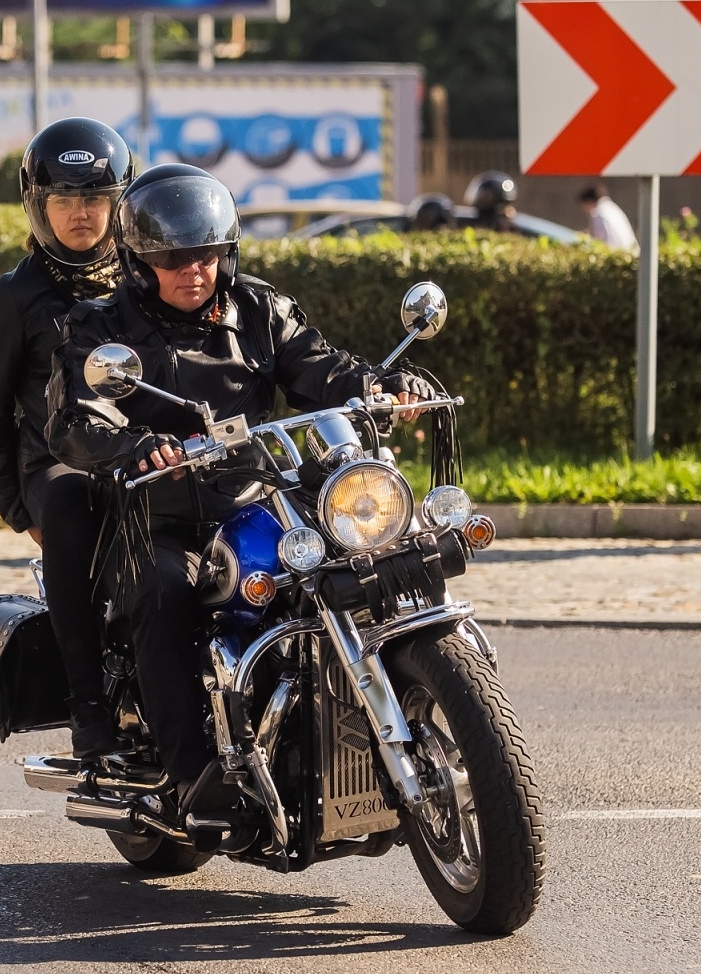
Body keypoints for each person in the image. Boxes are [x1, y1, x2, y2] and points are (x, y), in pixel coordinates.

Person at [46, 163, 432, 808]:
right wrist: (136, 444)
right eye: (174, 257)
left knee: (377, 550)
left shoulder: (259, 307)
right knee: (162, 593)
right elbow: (77, 418)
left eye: (207, 254)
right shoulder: (99, 326)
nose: (193, 270)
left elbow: (320, 365)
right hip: (155, 511)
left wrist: (377, 386)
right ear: (141, 261)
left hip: (256, 500)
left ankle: (421, 702)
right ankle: (195, 774)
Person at [0, 116, 132, 762]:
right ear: (38, 206)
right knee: (68, 507)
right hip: (55, 469)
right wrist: (17, 510)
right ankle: (88, 710)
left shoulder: (144, 283)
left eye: (95, 199)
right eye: (64, 199)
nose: (82, 214)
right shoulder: (16, 297)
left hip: (136, 456)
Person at [578, 183, 639, 253]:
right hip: (631, 253)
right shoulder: (611, 207)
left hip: (618, 256)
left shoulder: (598, 213)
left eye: (584, 207)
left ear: (589, 202)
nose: (585, 211)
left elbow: (601, 242)